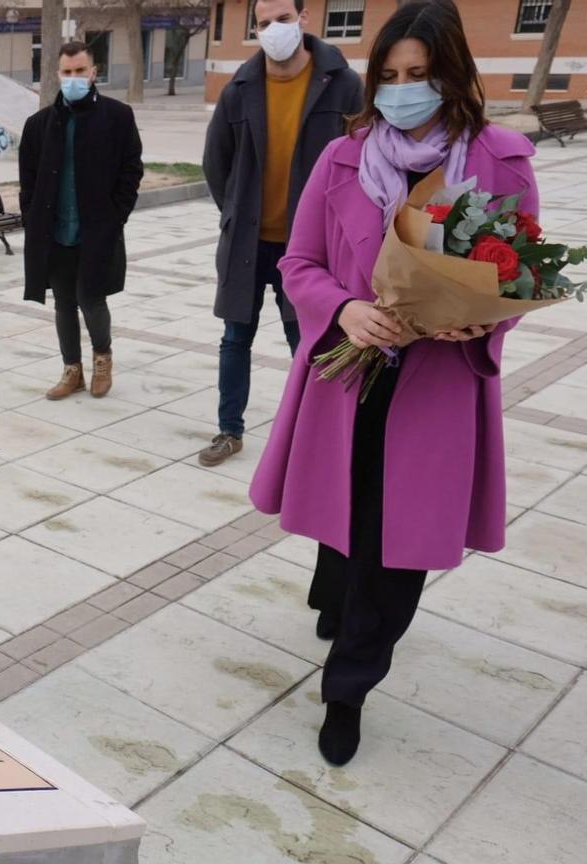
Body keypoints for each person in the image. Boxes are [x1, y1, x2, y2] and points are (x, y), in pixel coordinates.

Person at [250, 0, 538, 766]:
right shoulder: (343, 158)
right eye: (391, 75)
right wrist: (343, 311)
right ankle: (333, 593)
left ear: (453, 77)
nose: (404, 90)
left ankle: (348, 687)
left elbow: (519, 277)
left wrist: (478, 322)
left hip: (437, 392)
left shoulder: (502, 159)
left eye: (421, 75)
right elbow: (298, 264)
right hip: (349, 382)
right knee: (346, 517)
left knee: (399, 544)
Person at [199, 0, 363, 467]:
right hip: (247, 244)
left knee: (308, 342)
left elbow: (364, 159)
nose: (275, 30)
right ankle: (229, 430)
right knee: (235, 338)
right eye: (264, 23)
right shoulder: (241, 88)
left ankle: (313, 435)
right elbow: (217, 162)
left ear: (305, 18)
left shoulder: (343, 85)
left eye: (283, 19)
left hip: (311, 250)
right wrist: (236, 212)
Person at [18, 41, 143, 400]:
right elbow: (28, 180)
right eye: (66, 72)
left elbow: (131, 170)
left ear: (93, 72)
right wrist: (33, 219)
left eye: (79, 71)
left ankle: (102, 358)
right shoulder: (39, 124)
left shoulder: (117, 116)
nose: (73, 78)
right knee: (62, 302)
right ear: (58, 74)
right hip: (54, 231)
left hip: (96, 230)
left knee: (91, 297)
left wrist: (115, 216)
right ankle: (72, 370)